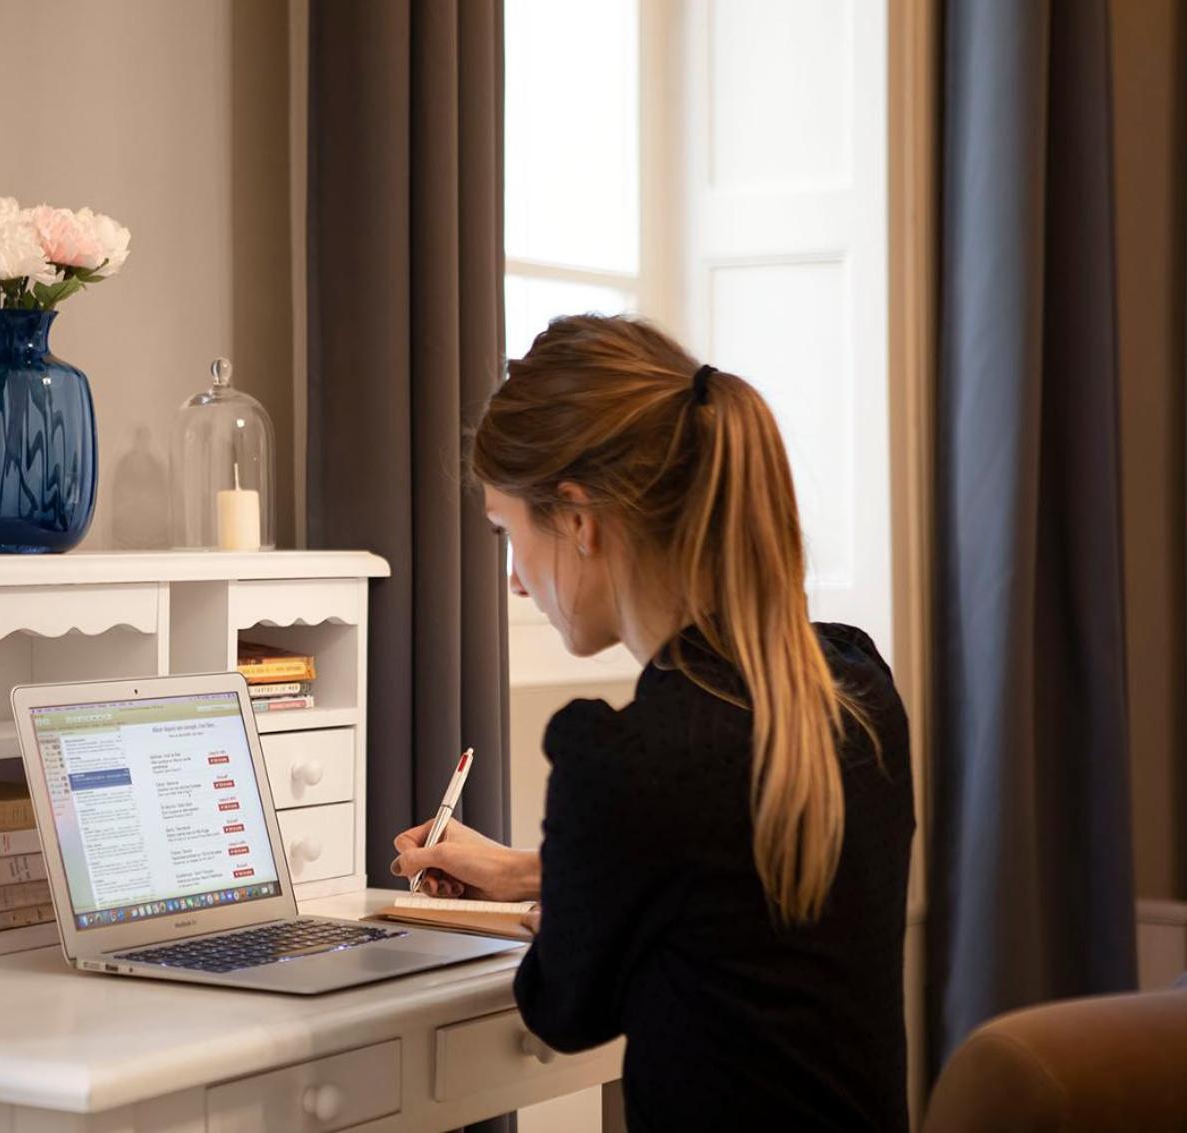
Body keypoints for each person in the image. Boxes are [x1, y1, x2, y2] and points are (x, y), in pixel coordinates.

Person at [391, 315, 914, 1131]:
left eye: (507, 533)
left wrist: (573, 888)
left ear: (578, 520)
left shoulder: (628, 761)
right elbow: (731, 881)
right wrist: (535, 871)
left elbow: (562, 1008)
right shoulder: (854, 684)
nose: (515, 581)